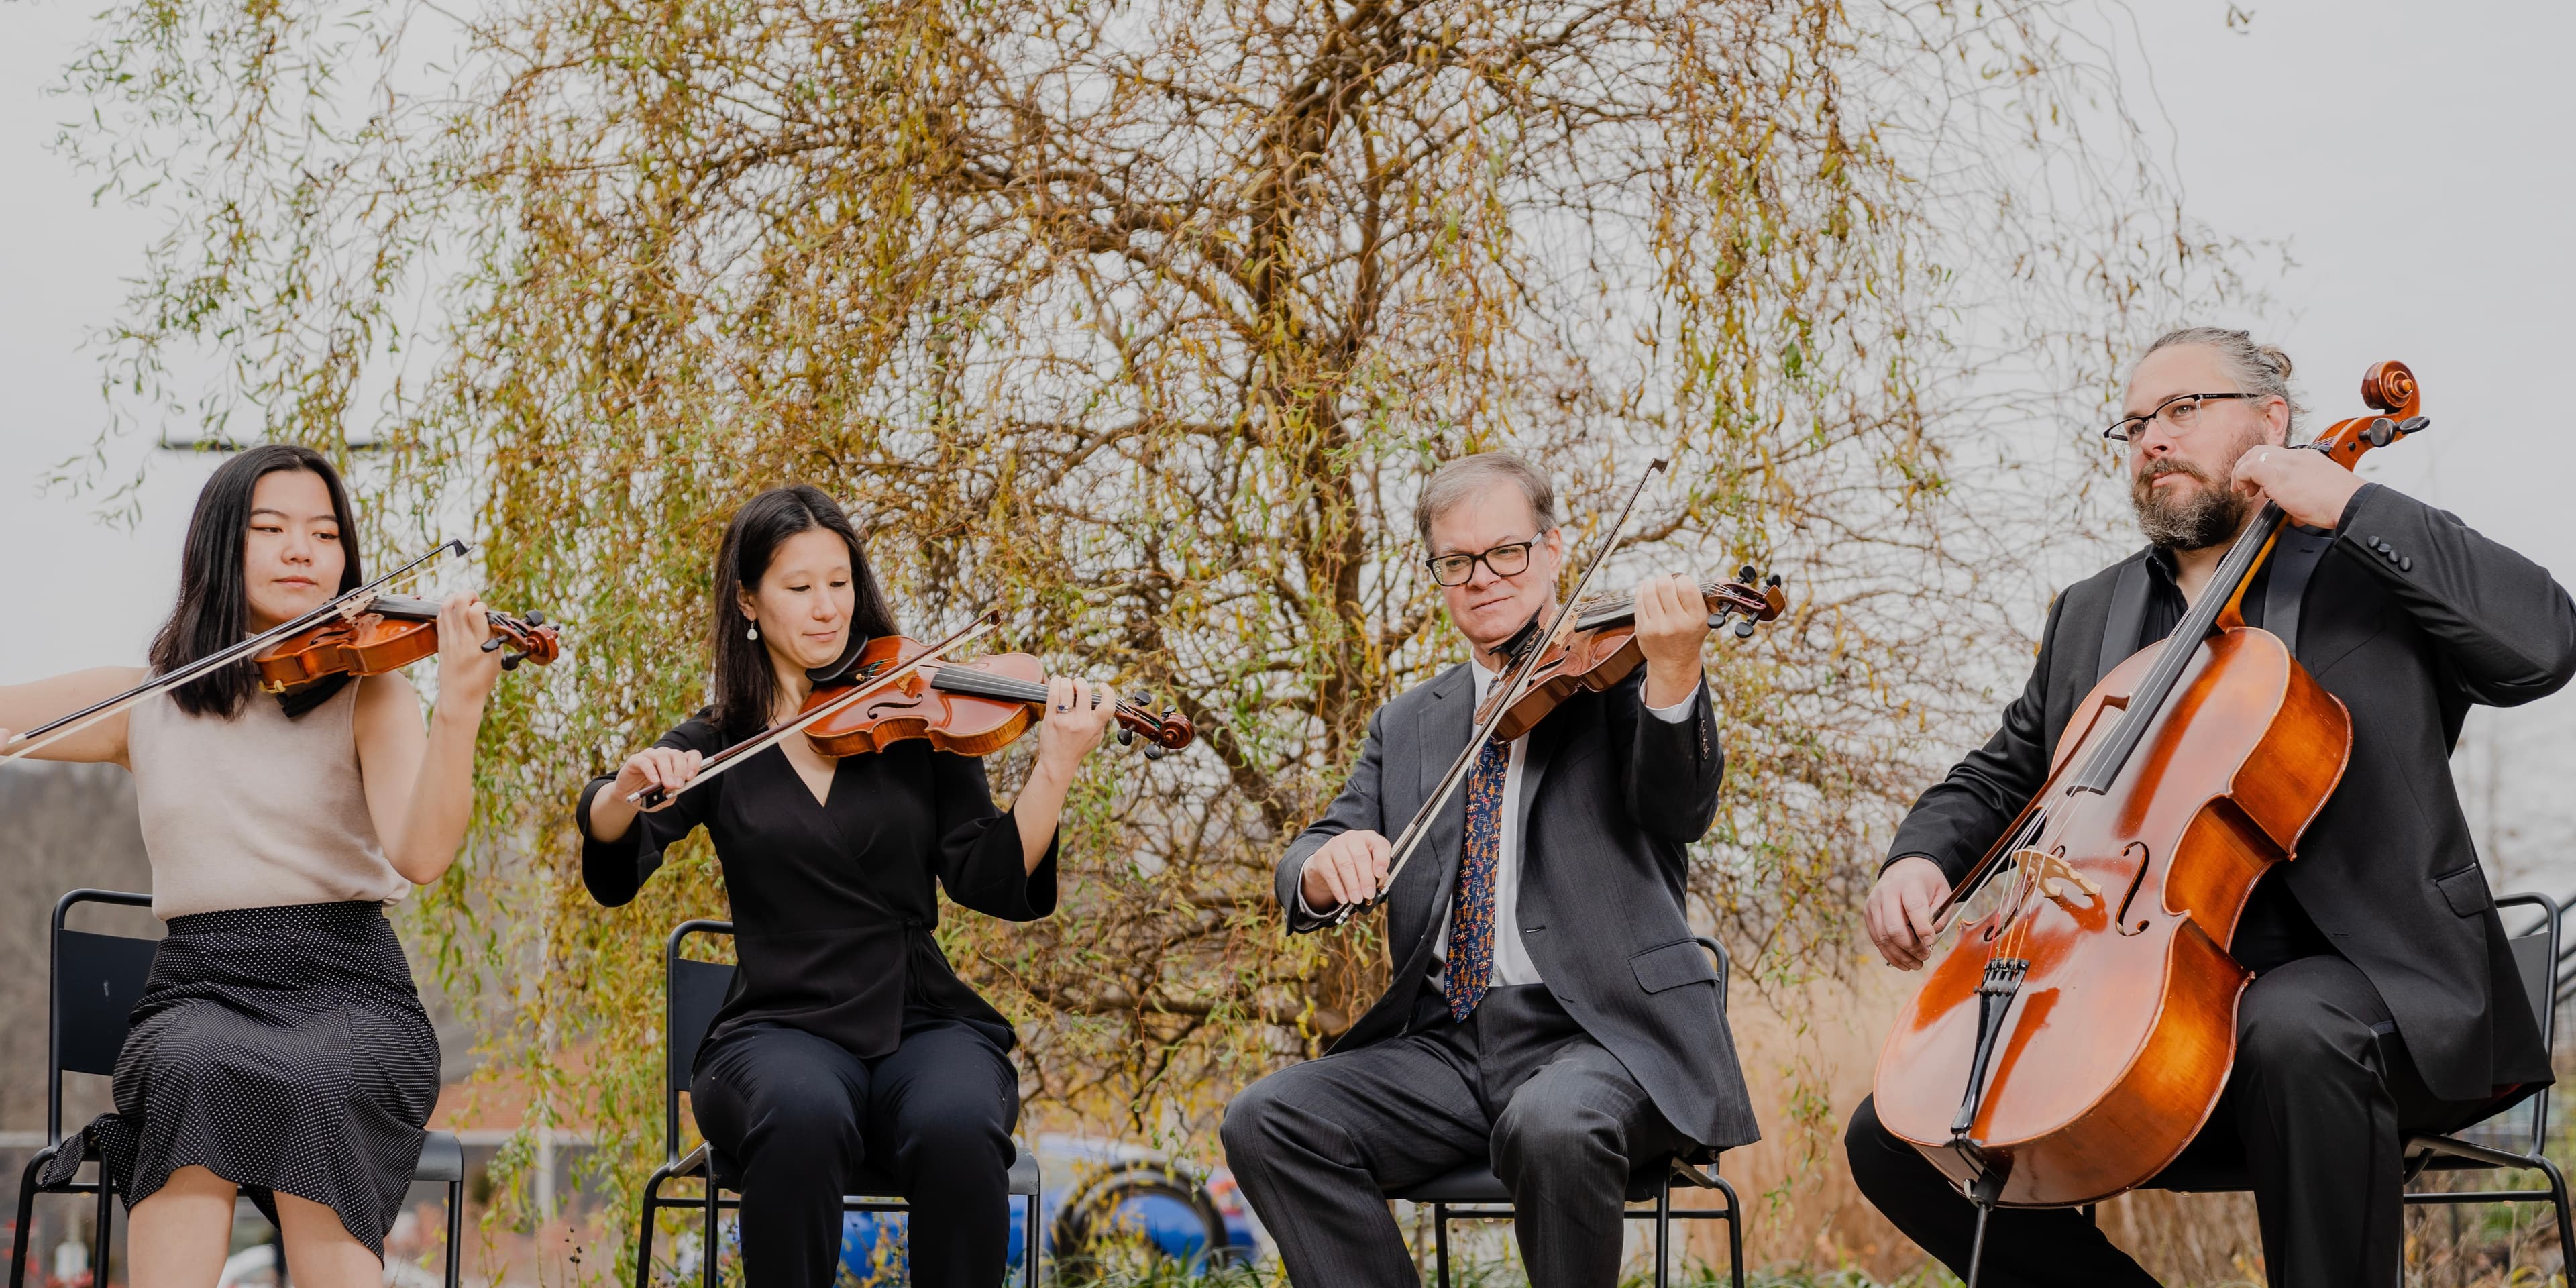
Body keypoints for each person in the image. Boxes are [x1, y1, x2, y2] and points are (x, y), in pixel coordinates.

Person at [1846, 328, 2576, 1287]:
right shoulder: (2093, 612)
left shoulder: (2367, 562)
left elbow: (2543, 643)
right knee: (1897, 1134)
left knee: (2294, 1022)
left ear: (2270, 421)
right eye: (2137, 422)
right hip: (2146, 1030)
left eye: (2184, 409)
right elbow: (2003, 770)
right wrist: (1920, 858)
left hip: (2373, 1005)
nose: (2154, 437)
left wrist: (2353, 503)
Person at [1219, 451, 1760, 1287]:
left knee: (1554, 1124)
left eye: (1506, 552)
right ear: (1436, 572)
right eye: (1457, 561)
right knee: (1271, 1119)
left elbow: (1679, 809)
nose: (1483, 578)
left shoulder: (1622, 678)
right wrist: (1326, 864)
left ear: (1552, 551)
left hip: (1608, 1039)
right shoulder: (1410, 723)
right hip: (1449, 1046)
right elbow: (1308, 858)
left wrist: (1677, 669)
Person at [578, 484, 1114, 1288]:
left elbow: (992, 875)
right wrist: (623, 791)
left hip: (919, 1016)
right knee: (799, 1114)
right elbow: (613, 851)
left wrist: (1055, 767)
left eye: (841, 583)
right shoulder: (720, 739)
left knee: (958, 1121)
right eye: (799, 588)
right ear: (749, 601)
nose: (827, 609)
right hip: (775, 1026)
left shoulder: (918, 711)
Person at [0, 444, 503, 1288]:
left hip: (348, 986)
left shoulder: (371, 690)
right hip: (200, 987)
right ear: (219, 549)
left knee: (314, 1077)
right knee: (193, 1064)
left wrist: (459, 708)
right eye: (271, 529)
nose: (302, 549)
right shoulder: (149, 702)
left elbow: (421, 855)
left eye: (324, 533)